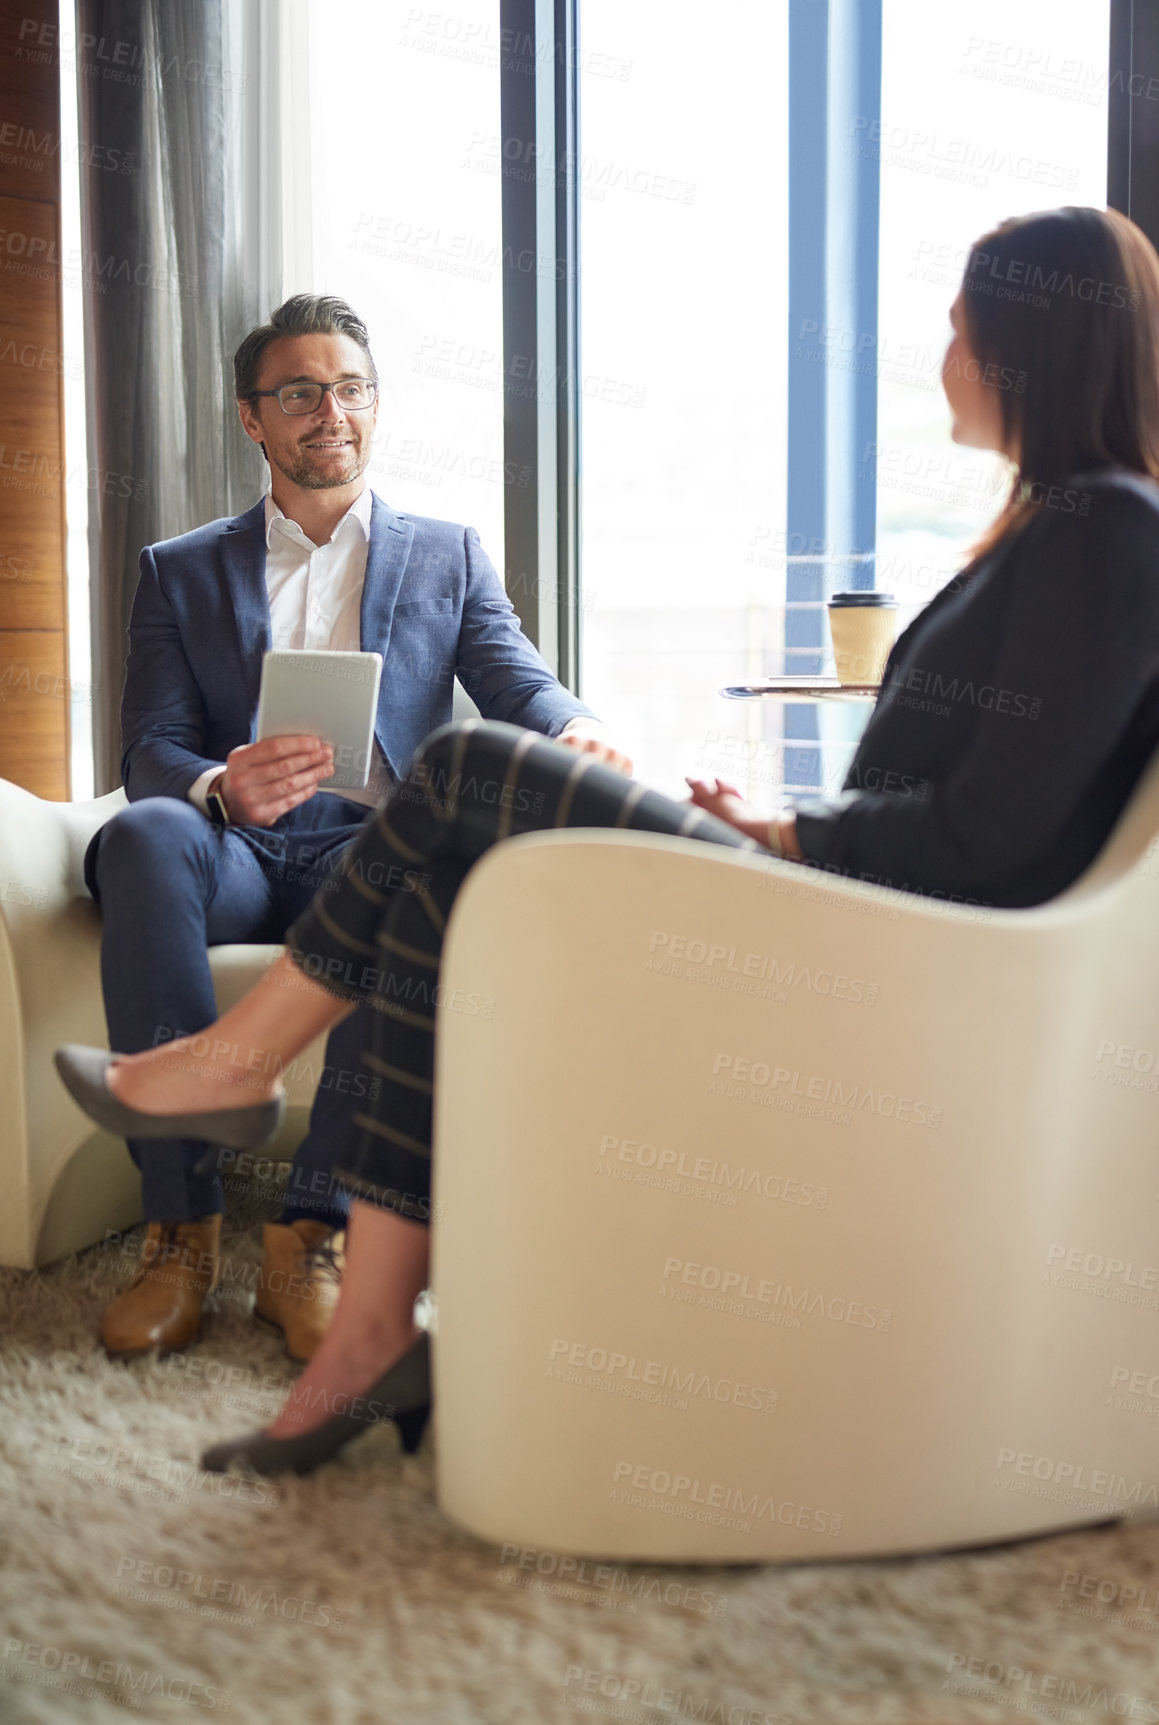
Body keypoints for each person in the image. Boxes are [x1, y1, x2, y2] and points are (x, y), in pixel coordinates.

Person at [60, 205, 1159, 1473]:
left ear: (1037, 344)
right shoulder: (1065, 528)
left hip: (874, 934)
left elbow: (984, 840)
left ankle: (234, 1071)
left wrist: (778, 825)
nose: (944, 357)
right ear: (251, 416)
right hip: (851, 906)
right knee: (423, 893)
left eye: (961, 329)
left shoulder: (1110, 531)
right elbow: (984, 815)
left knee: (467, 766)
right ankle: (362, 1339)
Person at [84, 292, 629, 1366]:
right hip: (236, 848)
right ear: (253, 417)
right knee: (145, 834)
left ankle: (308, 1236)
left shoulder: (448, 555)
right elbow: (148, 745)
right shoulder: (177, 569)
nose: (329, 411)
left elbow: (521, 685)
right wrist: (219, 788)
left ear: (373, 404)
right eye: (299, 392)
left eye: (349, 388)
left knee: (424, 872)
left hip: (370, 852)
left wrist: (581, 729)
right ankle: (179, 1232)